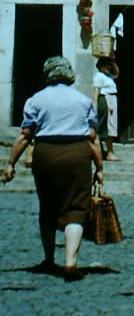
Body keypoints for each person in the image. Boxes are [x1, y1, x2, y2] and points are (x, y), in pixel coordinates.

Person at [1, 56, 103, 281]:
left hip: (46, 153)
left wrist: (10, 163)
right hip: (77, 153)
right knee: (76, 207)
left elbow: (25, 135)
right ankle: (71, 263)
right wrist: (100, 167)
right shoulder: (82, 100)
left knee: (48, 205)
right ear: (69, 74)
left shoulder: (36, 99)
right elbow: (92, 137)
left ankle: (49, 259)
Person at [92, 56, 119, 161]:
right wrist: (95, 106)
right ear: (101, 66)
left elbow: (117, 74)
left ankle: (109, 151)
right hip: (105, 99)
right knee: (107, 126)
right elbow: (96, 92)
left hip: (112, 98)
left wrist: (113, 62)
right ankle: (107, 152)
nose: (109, 67)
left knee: (111, 125)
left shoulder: (108, 76)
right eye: (107, 65)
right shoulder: (98, 76)